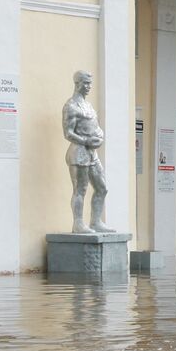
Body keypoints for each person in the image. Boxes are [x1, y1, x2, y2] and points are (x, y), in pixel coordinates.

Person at [63, 70, 114, 234]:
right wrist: (86, 141)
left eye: (90, 83)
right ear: (77, 83)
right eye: (85, 83)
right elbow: (68, 133)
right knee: (80, 189)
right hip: (78, 154)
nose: (88, 87)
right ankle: (78, 224)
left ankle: (96, 221)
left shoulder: (89, 106)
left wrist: (100, 135)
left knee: (102, 188)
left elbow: (95, 126)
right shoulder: (71, 106)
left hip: (92, 153)